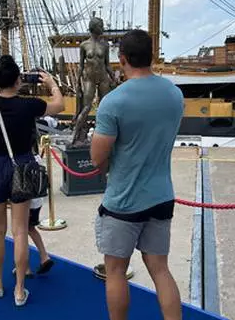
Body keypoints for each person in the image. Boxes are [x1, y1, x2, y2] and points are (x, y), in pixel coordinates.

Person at [90, 29, 183, 320]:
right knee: (161, 270)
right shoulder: (174, 94)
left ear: (122, 60)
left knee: (116, 271)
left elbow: (96, 157)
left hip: (124, 202)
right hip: (161, 196)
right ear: (152, 56)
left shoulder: (114, 102)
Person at [0, 55, 64, 306]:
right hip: (22, 166)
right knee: (19, 231)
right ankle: (19, 290)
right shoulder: (29, 105)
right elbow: (58, 105)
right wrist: (51, 84)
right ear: (18, 80)